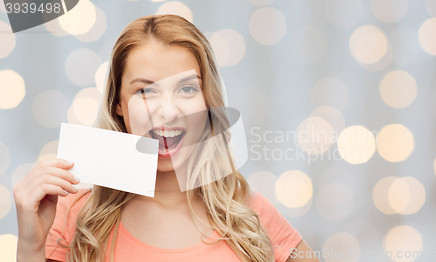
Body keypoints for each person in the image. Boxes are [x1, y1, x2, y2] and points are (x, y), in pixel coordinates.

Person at [14, 14, 318, 262]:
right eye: (145, 91)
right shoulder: (74, 215)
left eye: (187, 89)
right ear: (117, 103)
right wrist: (30, 248)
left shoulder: (247, 214)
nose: (168, 111)